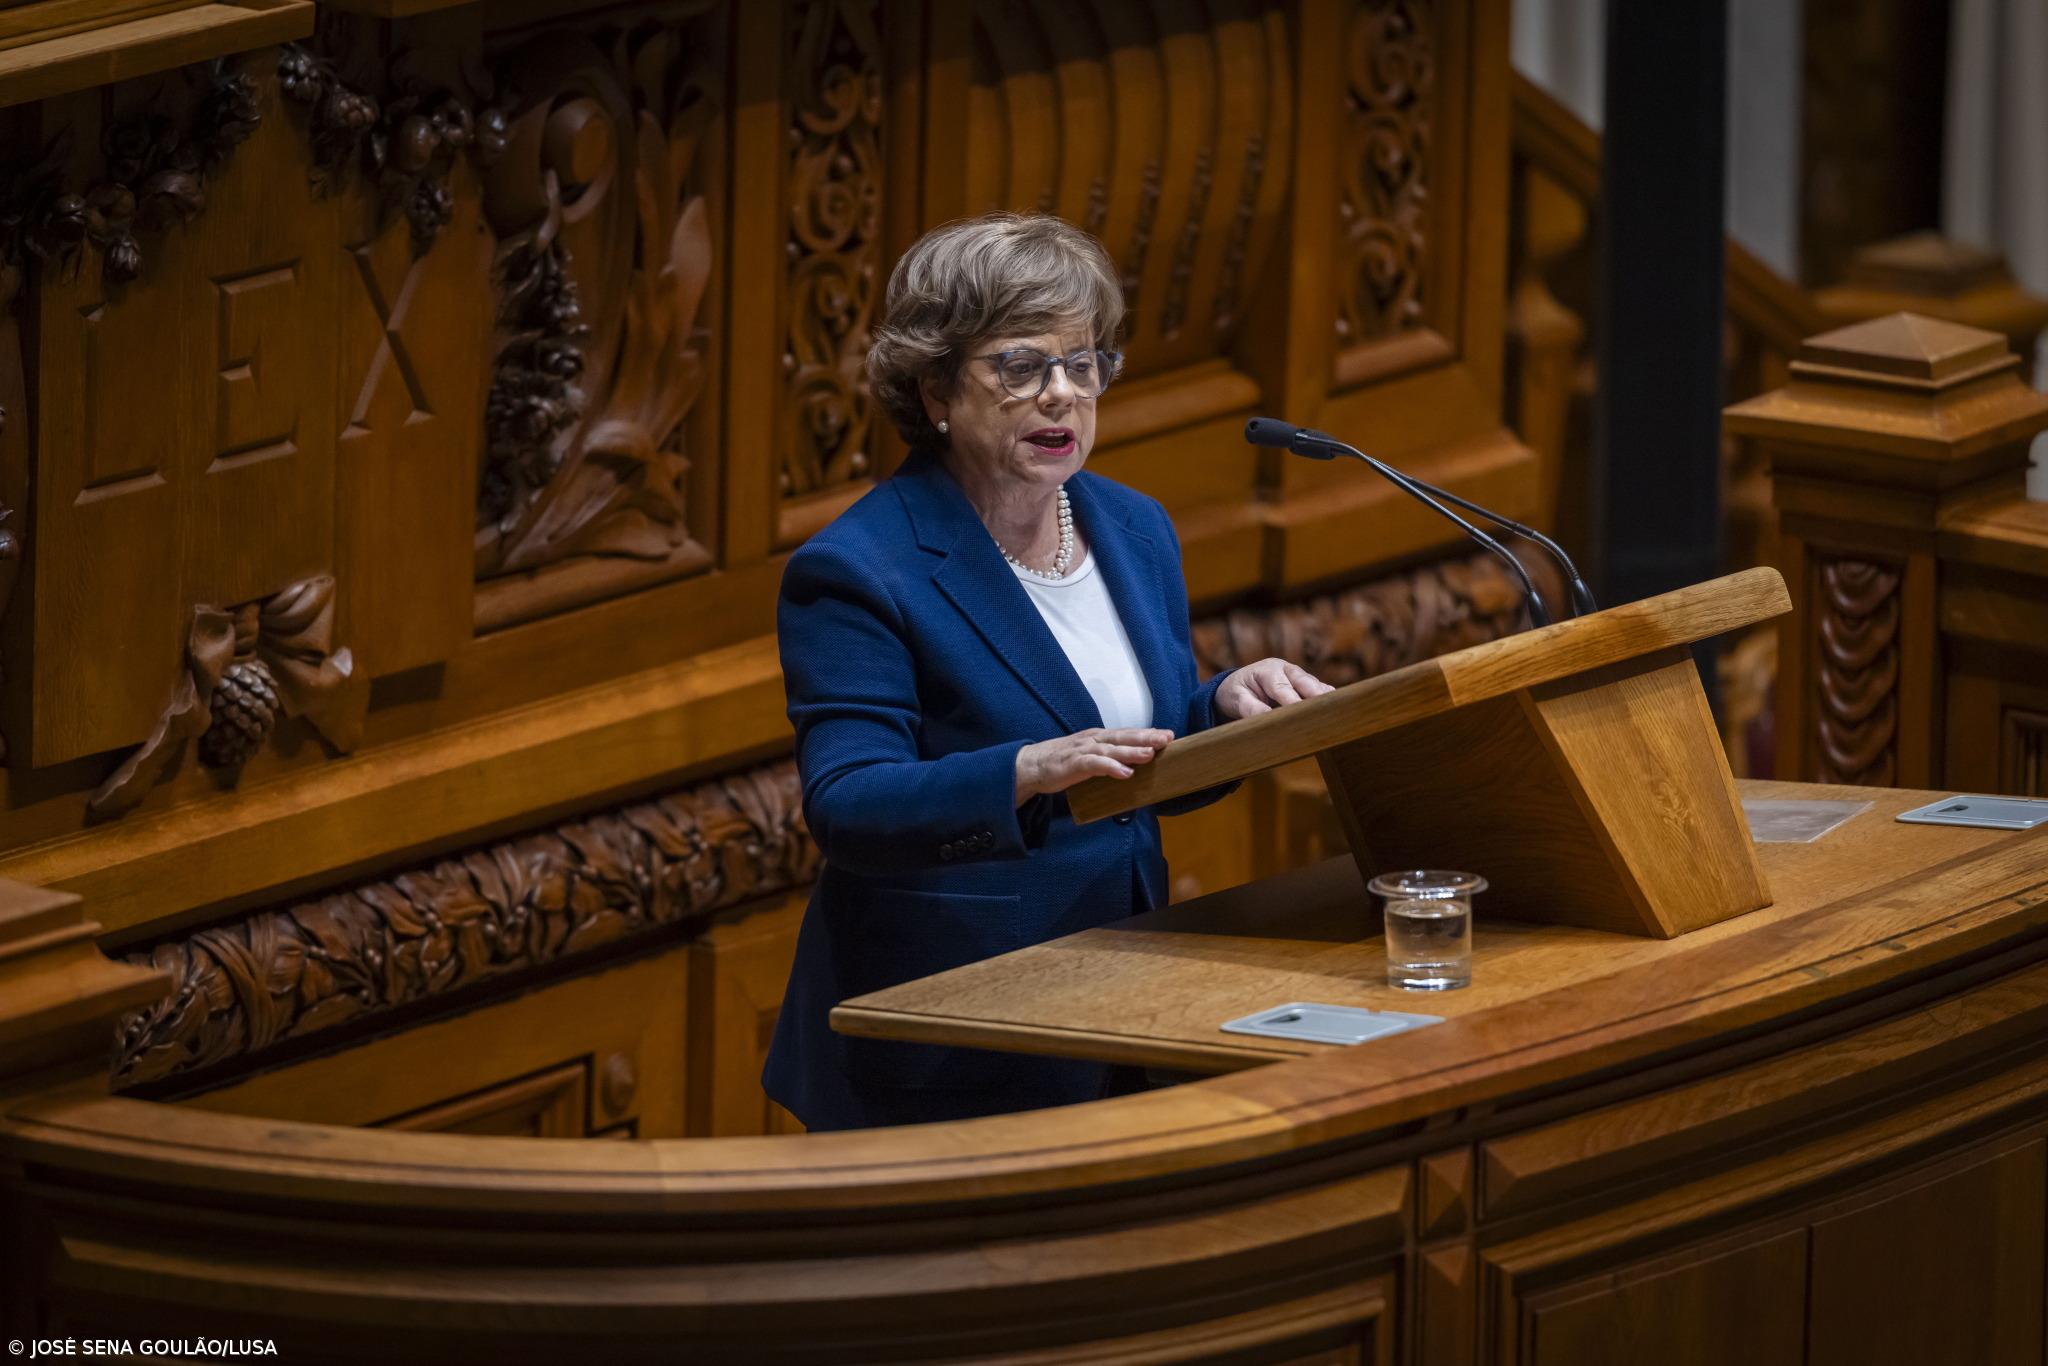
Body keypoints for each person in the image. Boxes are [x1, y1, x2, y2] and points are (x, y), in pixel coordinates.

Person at [763, 213, 1332, 1131]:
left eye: (1084, 363)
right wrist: (1024, 771)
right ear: (936, 387)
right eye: (1021, 367)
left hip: (1123, 997)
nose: (1062, 394)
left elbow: (1133, 751)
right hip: (949, 1024)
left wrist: (1223, 710)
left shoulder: (1134, 527)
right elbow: (850, 802)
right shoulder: (861, 569)